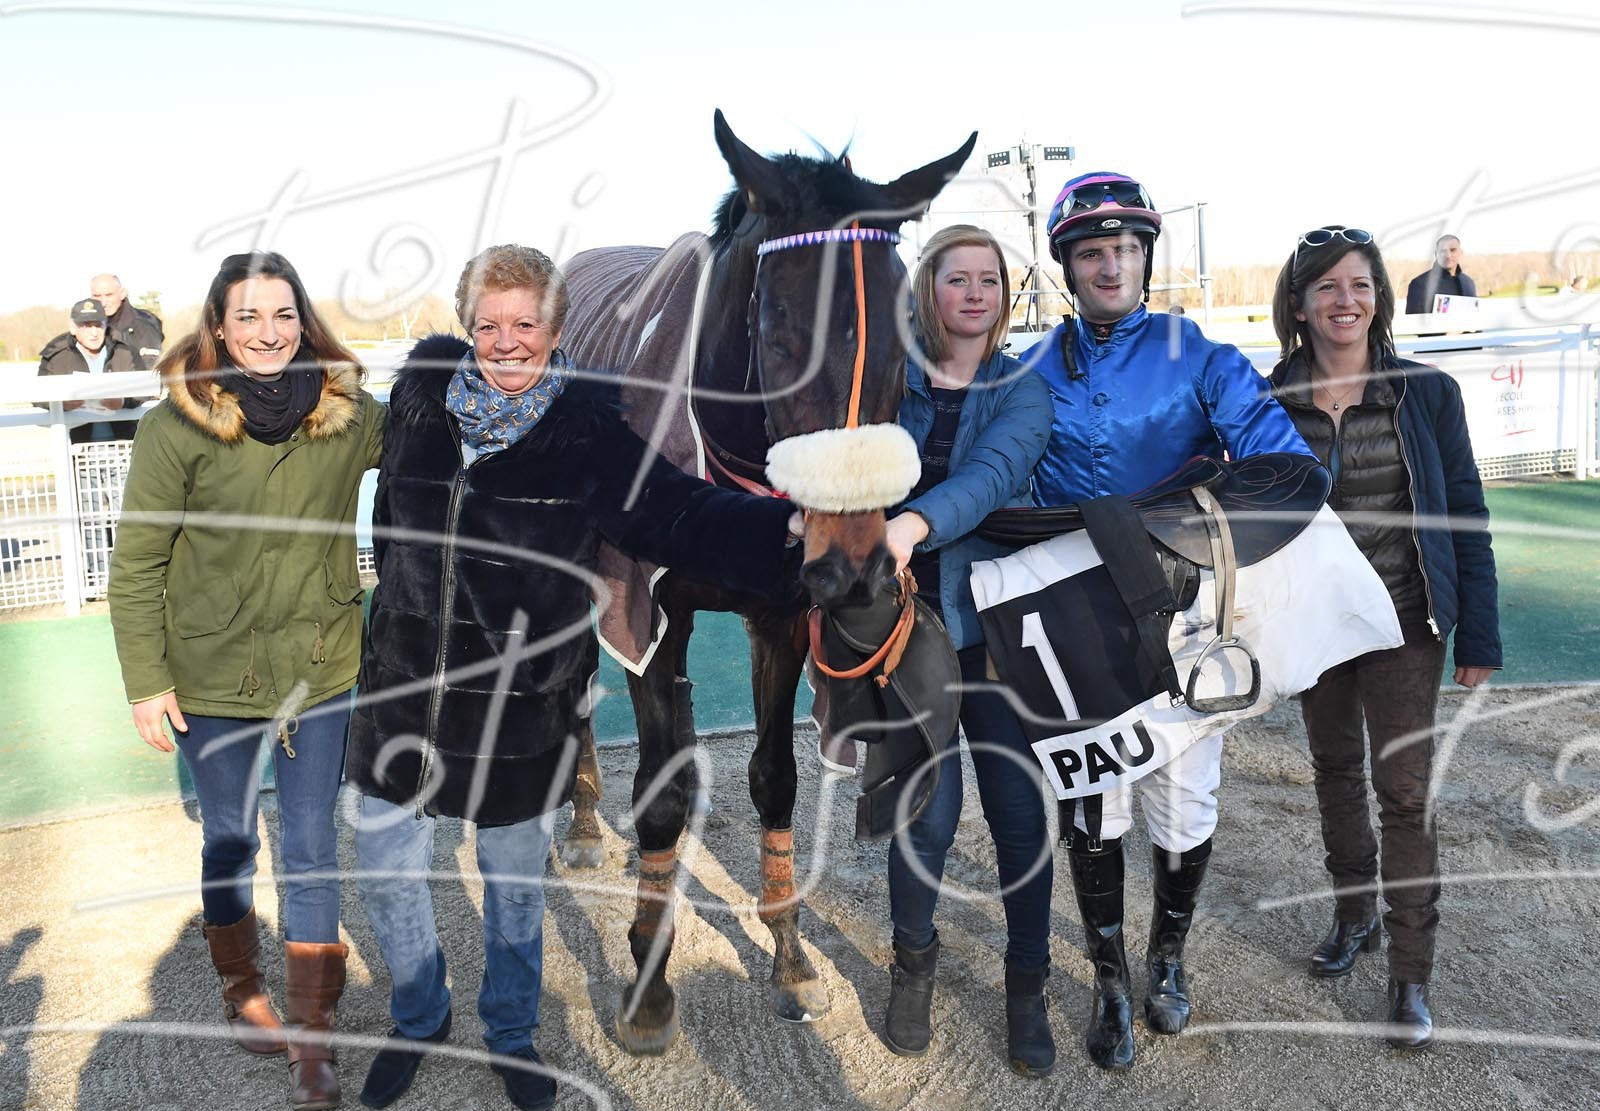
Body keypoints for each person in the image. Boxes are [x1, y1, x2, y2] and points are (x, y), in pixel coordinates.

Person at [346, 244, 805, 1111]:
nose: (506, 341)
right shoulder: (418, 406)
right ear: (466, 325)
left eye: (525, 323)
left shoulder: (588, 433)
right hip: (405, 693)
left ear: (555, 330)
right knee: (385, 861)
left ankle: (511, 1030)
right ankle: (418, 1015)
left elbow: (676, 511)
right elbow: (390, 530)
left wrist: (782, 532)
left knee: (515, 882)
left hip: (521, 705)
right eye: (489, 324)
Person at [1025, 171, 1315, 1071]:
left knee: (1185, 797)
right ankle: (1110, 979)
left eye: (1125, 249)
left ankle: (1168, 958)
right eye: (1092, 253)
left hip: (1185, 615)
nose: (1111, 266)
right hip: (1074, 624)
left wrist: (1186, 535)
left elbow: (1285, 466)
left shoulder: (1201, 354)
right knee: (1092, 800)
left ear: (1145, 257)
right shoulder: (1028, 369)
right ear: (1069, 267)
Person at [108, 251, 385, 1111]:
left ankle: (314, 1035)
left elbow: (439, 434)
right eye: (249, 317)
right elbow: (137, 562)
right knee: (229, 838)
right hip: (211, 673)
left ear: (304, 320)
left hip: (319, 666)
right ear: (220, 329)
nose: (269, 333)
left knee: (311, 847)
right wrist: (147, 681)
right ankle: (240, 986)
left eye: (284, 314)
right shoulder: (175, 428)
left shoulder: (349, 417)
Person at [1269, 225, 1502, 1049]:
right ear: (1299, 303)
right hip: (1314, 620)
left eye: (1360, 284)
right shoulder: (1265, 398)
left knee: (1402, 789)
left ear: (1380, 298)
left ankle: (1410, 974)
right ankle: (1353, 915)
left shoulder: (1426, 393)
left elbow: (1464, 513)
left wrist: (1480, 631)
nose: (1346, 300)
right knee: (1334, 769)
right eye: (1327, 286)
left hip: (1405, 616)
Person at [875, 225, 1054, 1074]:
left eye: (990, 279)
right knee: (928, 813)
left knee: (1018, 813)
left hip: (999, 629)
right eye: (959, 279)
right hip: (910, 629)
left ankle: (1027, 985)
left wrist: (910, 523)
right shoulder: (889, 380)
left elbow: (991, 477)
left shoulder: (1023, 389)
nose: (976, 293)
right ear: (930, 288)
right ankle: (913, 966)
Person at [36, 297, 144, 443]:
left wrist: (124, 402)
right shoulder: (55, 355)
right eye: (86, 326)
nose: (94, 333)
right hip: (78, 444)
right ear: (73, 328)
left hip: (125, 441)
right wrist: (62, 404)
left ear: (106, 325)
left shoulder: (125, 350)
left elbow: (146, 389)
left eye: (98, 325)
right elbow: (38, 396)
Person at [90, 272, 166, 363]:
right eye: (97, 296)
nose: (103, 303)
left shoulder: (144, 326)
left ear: (122, 293)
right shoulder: (86, 327)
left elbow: (150, 368)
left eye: (109, 295)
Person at [1404, 234, 1477, 315]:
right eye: (1442, 251)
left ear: (1461, 252)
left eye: (1453, 250)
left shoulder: (1469, 282)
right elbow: (1413, 320)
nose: (1448, 255)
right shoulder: (1419, 284)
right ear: (1436, 254)